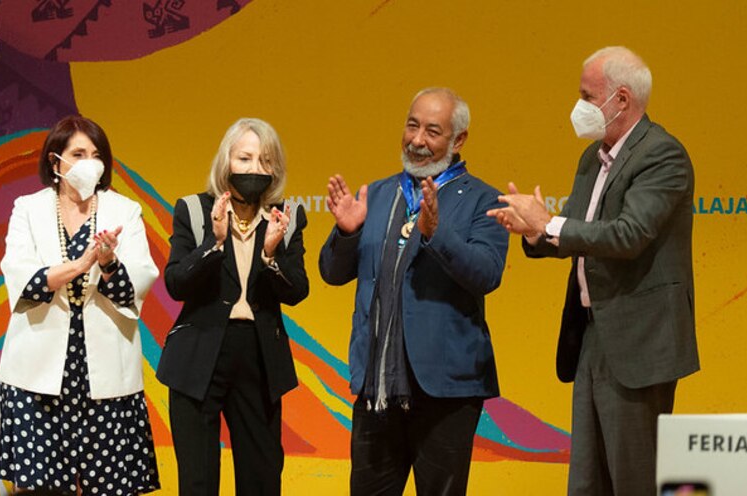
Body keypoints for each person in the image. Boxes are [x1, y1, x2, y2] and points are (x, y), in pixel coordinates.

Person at [487, 46, 700, 495]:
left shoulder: (662, 156)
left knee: (633, 479)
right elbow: (575, 233)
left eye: (587, 95)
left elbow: (627, 235)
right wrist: (533, 231)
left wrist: (551, 223)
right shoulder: (593, 158)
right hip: (591, 332)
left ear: (621, 99)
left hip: (640, 341)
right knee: (586, 479)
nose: (579, 106)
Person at [319, 87, 509, 496]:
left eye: (433, 131)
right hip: (378, 386)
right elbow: (332, 274)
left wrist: (437, 233)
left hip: (445, 391)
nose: (417, 140)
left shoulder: (483, 200)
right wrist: (347, 232)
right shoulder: (380, 194)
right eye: (412, 125)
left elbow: (486, 274)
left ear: (458, 141)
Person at [0, 115, 161, 495]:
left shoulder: (125, 211)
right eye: (79, 153)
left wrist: (107, 263)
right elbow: (21, 277)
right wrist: (80, 264)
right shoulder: (28, 209)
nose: (90, 161)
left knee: (111, 487)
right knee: (40, 488)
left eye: (96, 154)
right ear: (56, 162)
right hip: (36, 379)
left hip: (105, 379)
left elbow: (139, 281)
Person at [157, 117, 309, 495]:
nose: (255, 169)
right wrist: (214, 242)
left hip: (258, 356)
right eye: (245, 158)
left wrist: (271, 254)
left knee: (261, 479)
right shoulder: (193, 210)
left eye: (265, 161)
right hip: (198, 355)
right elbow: (176, 283)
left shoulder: (284, 218)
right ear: (226, 161)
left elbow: (297, 291)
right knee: (198, 481)